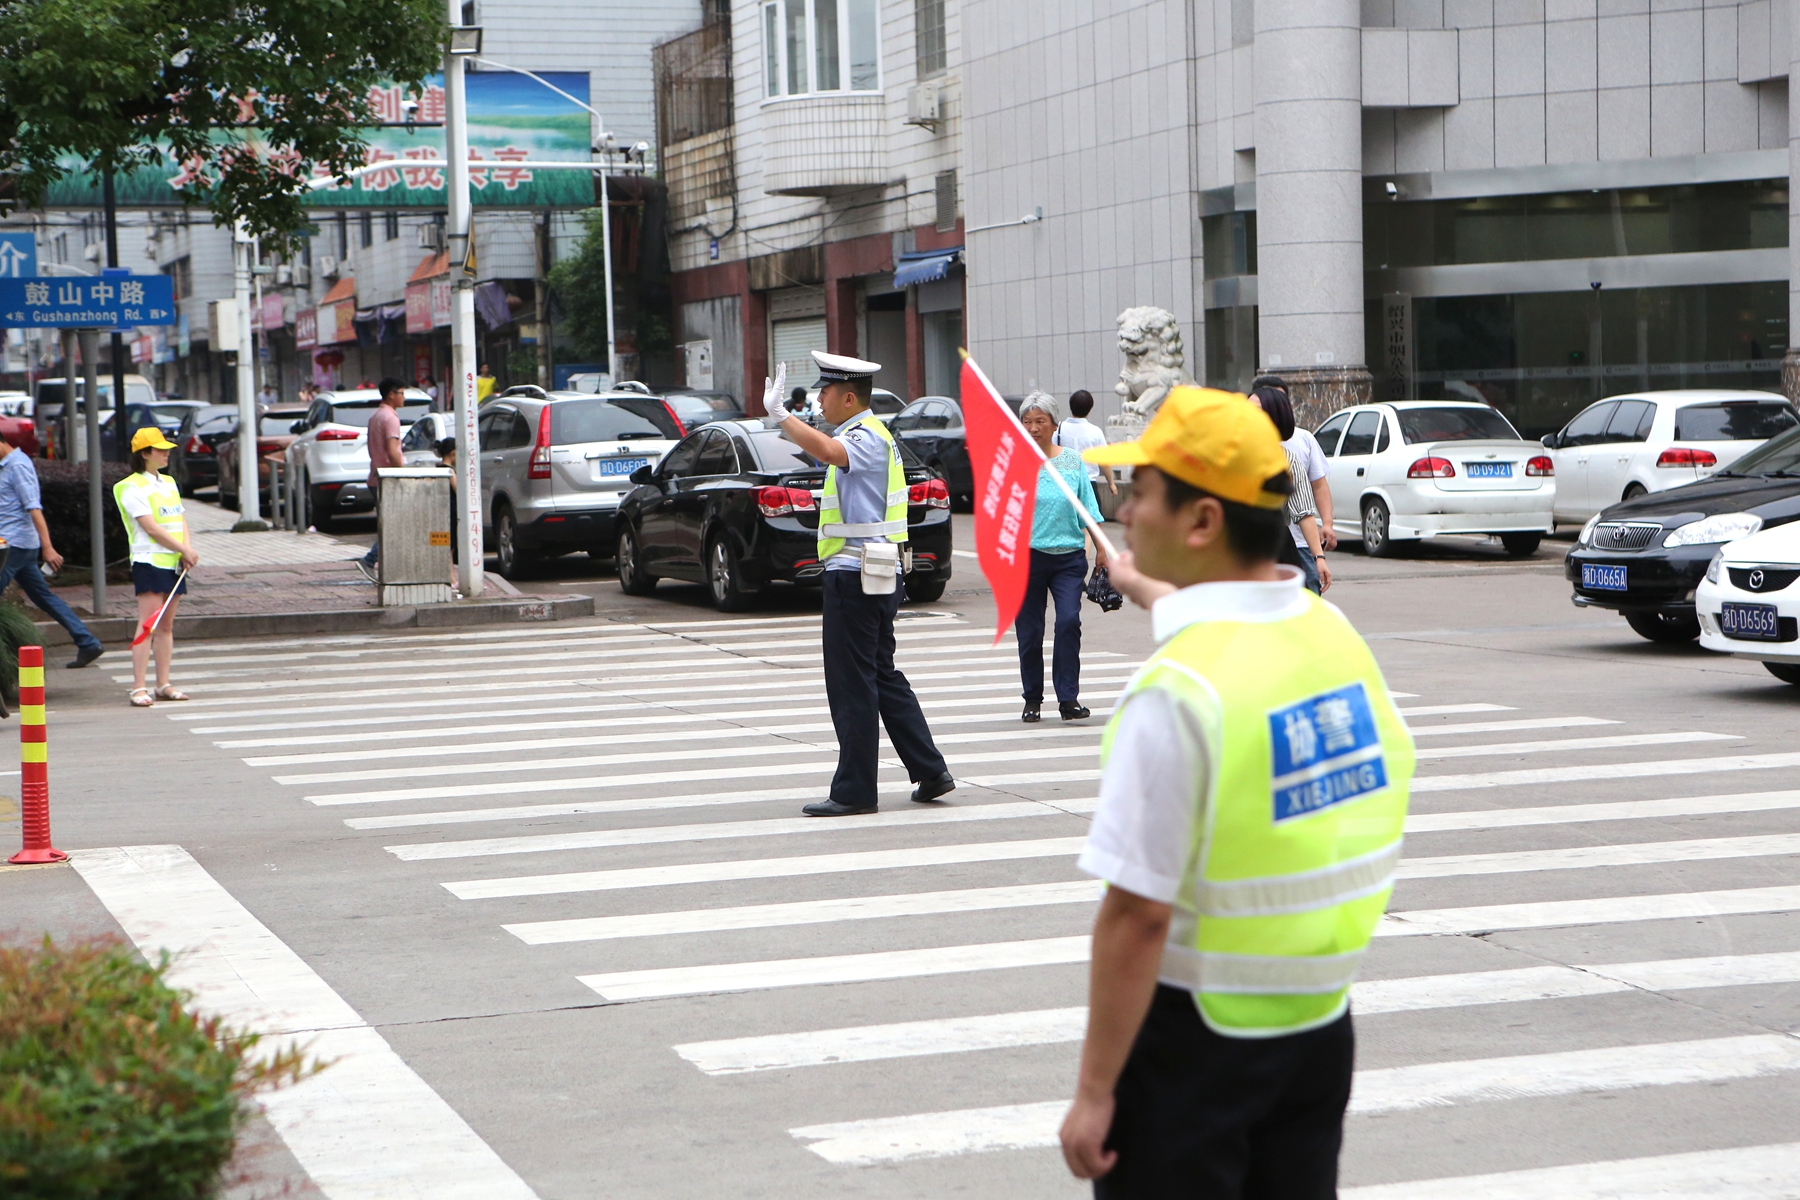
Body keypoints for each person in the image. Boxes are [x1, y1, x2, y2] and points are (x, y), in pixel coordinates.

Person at [1061, 387, 1415, 1198]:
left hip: (1197, 1043)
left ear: (1202, 522)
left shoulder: (1179, 693)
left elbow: (1138, 914)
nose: (1124, 512)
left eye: (1141, 493)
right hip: (1317, 1025)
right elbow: (1239, 619)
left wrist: (1093, 1093)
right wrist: (1150, 588)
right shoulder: (1327, 632)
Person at [763, 350, 954, 817]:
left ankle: (854, 790)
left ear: (849, 397)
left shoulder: (864, 437)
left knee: (853, 684)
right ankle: (931, 771)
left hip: (856, 577)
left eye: (825, 393)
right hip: (872, 573)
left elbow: (828, 451)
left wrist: (780, 415)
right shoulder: (871, 435)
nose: (819, 401)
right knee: (881, 676)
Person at [1016, 392, 1106, 723]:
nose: (1034, 428)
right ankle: (1032, 698)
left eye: (1040, 421)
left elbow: (1088, 508)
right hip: (1027, 559)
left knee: (1068, 622)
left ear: (1055, 424)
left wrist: (1102, 549)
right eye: (1027, 422)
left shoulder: (1070, 460)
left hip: (1068, 558)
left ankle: (1068, 699)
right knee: (1030, 631)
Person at [0, 431, 104, 668]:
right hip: (18, 545)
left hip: (14, 546)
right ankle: (87, 642)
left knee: (43, 597)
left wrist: (48, 547)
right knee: (43, 597)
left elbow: (34, 508)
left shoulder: (17, 466)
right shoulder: (7, 465)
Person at [114, 427, 200, 707]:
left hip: (174, 562)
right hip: (149, 562)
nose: (166, 454)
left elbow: (180, 517)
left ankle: (163, 683)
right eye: (160, 450)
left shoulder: (169, 482)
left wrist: (186, 549)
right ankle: (138, 687)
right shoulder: (130, 486)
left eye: (166, 449)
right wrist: (184, 549)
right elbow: (150, 527)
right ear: (144, 454)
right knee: (147, 625)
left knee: (166, 626)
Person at [1253, 387, 1330, 594]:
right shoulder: (1227, 454)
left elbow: (1304, 513)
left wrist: (1319, 558)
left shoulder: (1287, 459)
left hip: (1277, 549)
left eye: (1257, 411)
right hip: (1237, 549)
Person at [356, 377, 408, 584]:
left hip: (375, 477)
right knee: (393, 525)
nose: (404, 397)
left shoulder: (376, 415)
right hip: (388, 479)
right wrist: (403, 475)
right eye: (402, 393)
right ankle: (369, 560)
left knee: (388, 523)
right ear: (391, 395)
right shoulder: (391, 418)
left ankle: (387, 569)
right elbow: (393, 451)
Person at [1056, 389, 1117, 499]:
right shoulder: (1095, 431)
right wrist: (1111, 483)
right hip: (1089, 485)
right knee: (1091, 516)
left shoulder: (1058, 429)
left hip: (1064, 485)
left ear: (1070, 406)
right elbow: (1104, 461)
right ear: (1090, 408)